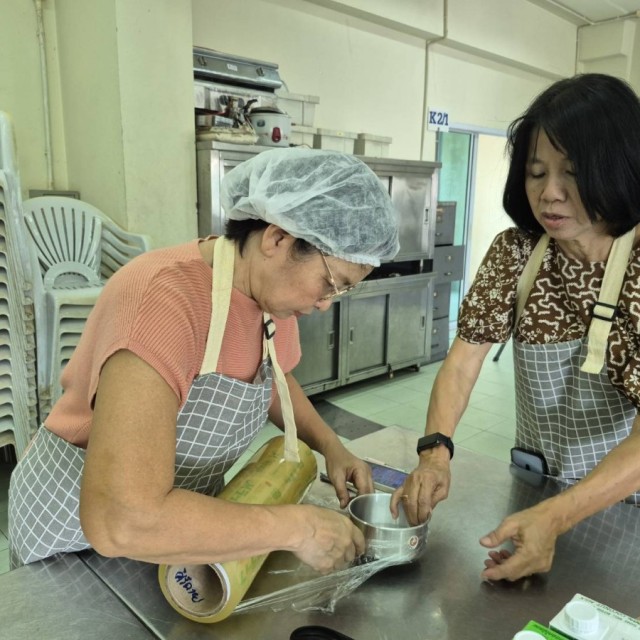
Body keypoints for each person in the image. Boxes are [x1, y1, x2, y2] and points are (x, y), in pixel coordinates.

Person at [9, 147, 400, 571]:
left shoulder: (273, 301)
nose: (326, 304)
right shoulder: (162, 303)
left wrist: (331, 446)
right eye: (330, 282)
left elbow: (274, 380)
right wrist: (299, 529)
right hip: (70, 534)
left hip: (169, 525)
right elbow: (120, 520)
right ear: (277, 239)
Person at [391, 73, 640, 581]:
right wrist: (435, 454)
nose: (550, 194)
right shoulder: (517, 253)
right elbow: (463, 362)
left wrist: (559, 516)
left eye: (573, 173)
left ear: (620, 170)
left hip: (624, 501)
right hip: (537, 484)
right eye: (535, 172)